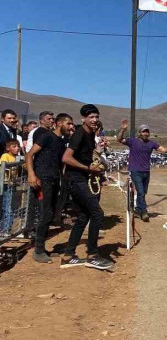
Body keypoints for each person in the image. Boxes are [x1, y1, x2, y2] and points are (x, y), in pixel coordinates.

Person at [59, 104, 113, 271]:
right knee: (97, 213)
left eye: (96, 117)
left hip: (82, 179)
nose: (95, 120)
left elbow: (85, 155)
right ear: (83, 119)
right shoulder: (80, 134)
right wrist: (89, 168)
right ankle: (92, 255)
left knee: (83, 217)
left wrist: (98, 150)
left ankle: (68, 256)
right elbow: (66, 158)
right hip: (76, 180)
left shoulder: (90, 135)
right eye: (91, 117)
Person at [26, 113, 73, 263]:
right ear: (60, 124)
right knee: (45, 214)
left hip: (53, 180)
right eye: (69, 124)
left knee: (50, 213)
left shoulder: (60, 141)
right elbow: (29, 155)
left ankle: (42, 248)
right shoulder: (46, 136)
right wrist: (32, 175)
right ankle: (38, 251)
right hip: (42, 180)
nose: (71, 127)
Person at [116, 121, 167, 221]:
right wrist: (123, 129)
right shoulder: (132, 141)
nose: (145, 133)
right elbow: (119, 139)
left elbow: (164, 150)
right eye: (143, 132)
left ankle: (137, 210)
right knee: (140, 191)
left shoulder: (152, 143)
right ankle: (144, 212)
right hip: (135, 170)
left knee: (143, 192)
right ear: (139, 133)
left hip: (146, 171)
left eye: (147, 132)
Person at [0, 139, 20, 235]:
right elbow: (4, 166)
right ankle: (5, 229)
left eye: (18, 146)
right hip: (6, 185)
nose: (17, 148)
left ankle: (7, 228)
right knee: (7, 207)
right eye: (14, 147)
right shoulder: (5, 156)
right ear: (8, 148)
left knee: (11, 206)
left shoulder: (16, 157)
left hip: (12, 185)